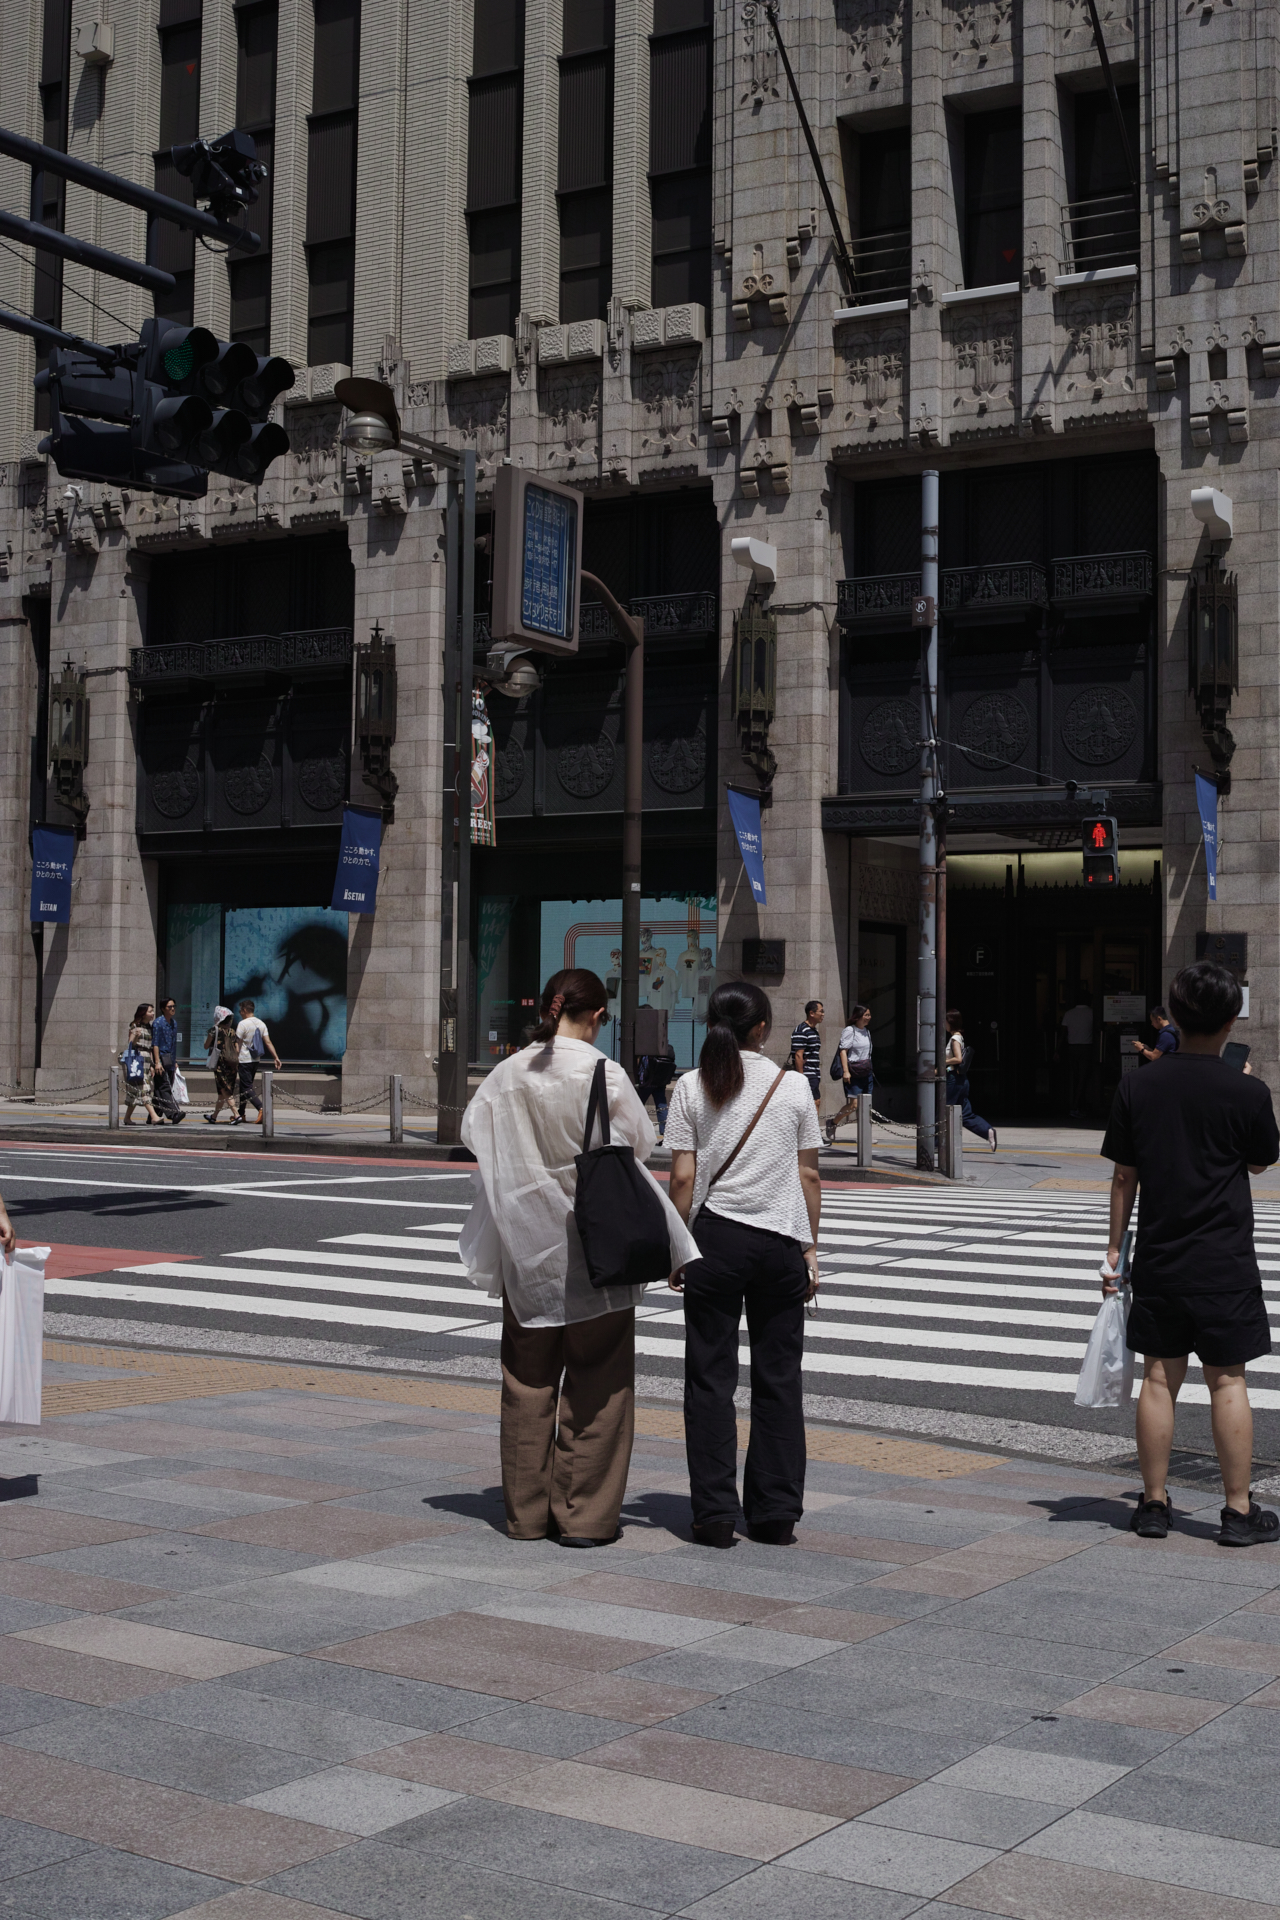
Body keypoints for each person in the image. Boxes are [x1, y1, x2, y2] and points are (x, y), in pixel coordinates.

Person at [459, 968, 696, 1546]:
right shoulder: (602, 1073)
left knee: (526, 1382)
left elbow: (474, 1135)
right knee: (600, 1381)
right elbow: (638, 1143)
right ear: (594, 1016)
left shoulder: (505, 1074)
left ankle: (526, 1515)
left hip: (526, 1249)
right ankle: (584, 1516)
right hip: (597, 1251)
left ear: (548, 1009)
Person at [1101, 960, 1280, 1547]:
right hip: (1224, 1257)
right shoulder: (1247, 1090)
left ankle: (1152, 1506)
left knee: (1158, 1377)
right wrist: (1244, 1085)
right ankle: (1236, 1512)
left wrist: (1113, 1250)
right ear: (1232, 1020)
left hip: (1160, 1253)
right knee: (1228, 1380)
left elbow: (1124, 1178)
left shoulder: (1137, 1085)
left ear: (1172, 1017)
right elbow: (1256, 1162)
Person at [666, 981, 822, 1549]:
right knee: (779, 1378)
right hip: (780, 1242)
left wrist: (679, 1244)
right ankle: (775, 1512)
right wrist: (810, 1249)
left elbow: (682, 1178)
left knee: (710, 1378)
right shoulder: (793, 1087)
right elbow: (808, 1175)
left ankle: (713, 1514)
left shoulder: (690, 1085)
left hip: (715, 1241)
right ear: (761, 1029)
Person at [945, 1010, 997, 1152]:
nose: (944, 1025)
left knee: (943, 1111)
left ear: (950, 1023)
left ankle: (938, 1143)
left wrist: (942, 1062)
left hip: (953, 1080)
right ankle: (988, 1131)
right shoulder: (960, 1037)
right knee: (966, 1113)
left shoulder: (954, 1039)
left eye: (945, 1022)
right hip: (962, 1080)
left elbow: (958, 1059)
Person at [825, 1003, 873, 1143]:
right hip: (854, 1072)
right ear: (858, 1016)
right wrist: (846, 1071)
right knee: (854, 1105)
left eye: (869, 1015)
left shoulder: (867, 1032)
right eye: (866, 1015)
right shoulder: (849, 1031)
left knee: (867, 1105)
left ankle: (865, 1136)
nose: (868, 1018)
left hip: (867, 1072)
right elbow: (843, 1051)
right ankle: (833, 1123)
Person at [233, 998, 282, 1125]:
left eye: (240, 1010)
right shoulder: (261, 1024)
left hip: (244, 1060)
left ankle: (261, 1108)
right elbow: (268, 1042)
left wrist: (234, 1059)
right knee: (245, 1087)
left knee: (247, 1087)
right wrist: (276, 1057)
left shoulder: (242, 1024)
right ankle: (241, 1113)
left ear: (244, 1010)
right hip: (255, 1060)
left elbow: (237, 1044)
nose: (240, 1013)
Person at [122, 1003, 162, 1127]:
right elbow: (130, 1045)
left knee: (135, 1092)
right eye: (150, 1011)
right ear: (143, 1013)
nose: (152, 1014)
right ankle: (154, 1117)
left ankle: (127, 1118)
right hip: (136, 1061)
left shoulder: (149, 1027)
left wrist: (152, 1064)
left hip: (146, 1061)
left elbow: (150, 1048)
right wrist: (135, 1037)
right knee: (144, 1089)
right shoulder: (135, 1026)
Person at [151, 996, 185, 1126]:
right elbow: (155, 1044)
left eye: (174, 1006)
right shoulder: (158, 1023)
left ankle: (154, 1115)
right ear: (163, 1009)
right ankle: (173, 1113)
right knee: (164, 1087)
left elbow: (173, 1044)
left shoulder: (174, 1023)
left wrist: (174, 1061)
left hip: (170, 1060)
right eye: (169, 1007)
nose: (172, 1009)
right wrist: (157, 1062)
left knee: (161, 1089)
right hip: (161, 1059)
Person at [204, 1006, 240, 1123]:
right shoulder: (232, 1031)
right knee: (222, 1092)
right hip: (233, 1064)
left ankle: (236, 1114)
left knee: (225, 1090)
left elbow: (206, 1046)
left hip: (220, 1065)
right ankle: (214, 1116)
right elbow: (237, 1050)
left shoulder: (214, 1030)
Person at [1062, 990, 1094, 1116]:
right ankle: (1076, 1105)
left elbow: (1063, 1033)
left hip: (1072, 1047)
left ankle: (1073, 1104)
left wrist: (1057, 1050)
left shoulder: (1069, 1013)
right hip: (1086, 1047)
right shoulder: (1091, 1013)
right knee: (1083, 1077)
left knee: (1074, 1076)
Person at [636, 1042, 677, 1140]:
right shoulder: (664, 1048)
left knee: (637, 1105)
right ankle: (665, 1134)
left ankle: (636, 1131)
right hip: (660, 1082)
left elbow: (642, 1067)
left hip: (647, 1082)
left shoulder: (645, 1049)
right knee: (661, 1106)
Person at [790, 999, 824, 1116]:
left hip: (814, 1072)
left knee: (813, 1102)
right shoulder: (802, 1030)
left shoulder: (814, 1031)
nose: (823, 1014)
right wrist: (801, 1077)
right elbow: (798, 1054)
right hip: (807, 1073)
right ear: (812, 1013)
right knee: (815, 1102)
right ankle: (813, 1132)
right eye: (821, 1011)